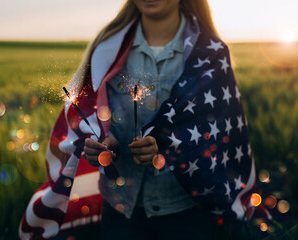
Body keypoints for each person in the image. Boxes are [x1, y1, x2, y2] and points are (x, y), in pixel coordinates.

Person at [20, 0, 257, 239]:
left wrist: (170, 146)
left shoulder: (211, 53)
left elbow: (221, 134)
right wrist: (105, 142)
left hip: (186, 213)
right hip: (120, 212)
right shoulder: (107, 49)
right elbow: (97, 114)